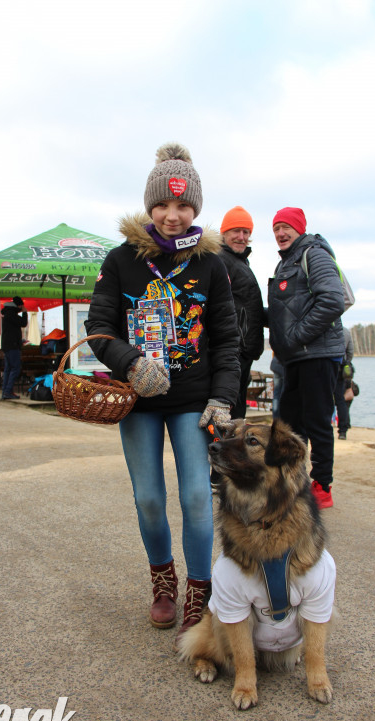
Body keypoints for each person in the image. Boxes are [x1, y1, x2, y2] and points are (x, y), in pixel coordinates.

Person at [85, 142, 240, 642]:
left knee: (197, 496)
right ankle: (163, 581)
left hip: (195, 401)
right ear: (149, 205)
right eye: (163, 205)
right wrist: (131, 364)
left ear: (196, 207)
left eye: (183, 205)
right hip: (140, 400)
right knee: (149, 498)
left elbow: (228, 339)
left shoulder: (212, 265)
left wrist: (223, 398)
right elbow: (99, 326)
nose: (172, 216)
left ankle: (201, 589)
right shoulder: (121, 260)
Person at [267, 207, 345, 509]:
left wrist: (296, 336)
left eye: (286, 227)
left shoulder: (314, 254)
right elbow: (285, 313)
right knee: (288, 423)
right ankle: (291, 481)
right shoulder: (286, 262)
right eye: (276, 229)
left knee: (317, 421)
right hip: (296, 358)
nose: (281, 233)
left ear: (299, 229)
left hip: (318, 353)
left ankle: (322, 485)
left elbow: (332, 300)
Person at [218, 206, 264, 418]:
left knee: (237, 415)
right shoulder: (221, 260)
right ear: (224, 233)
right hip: (232, 351)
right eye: (235, 231)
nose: (241, 236)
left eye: (246, 232)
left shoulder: (240, 262)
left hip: (243, 352)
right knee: (229, 414)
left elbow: (248, 307)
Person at [1, 296, 28, 400]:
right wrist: (25, 313)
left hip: (7, 346)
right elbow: (23, 323)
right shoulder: (11, 313)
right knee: (15, 368)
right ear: (19, 305)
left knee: (8, 369)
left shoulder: (8, 313)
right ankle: (8, 391)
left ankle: (5, 391)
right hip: (12, 345)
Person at [333, 326, 354, 439]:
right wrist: (347, 362)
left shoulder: (325, 327)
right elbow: (350, 352)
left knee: (324, 398)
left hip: (327, 366)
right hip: (341, 368)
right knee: (340, 400)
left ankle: (324, 426)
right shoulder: (346, 331)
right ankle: (343, 430)